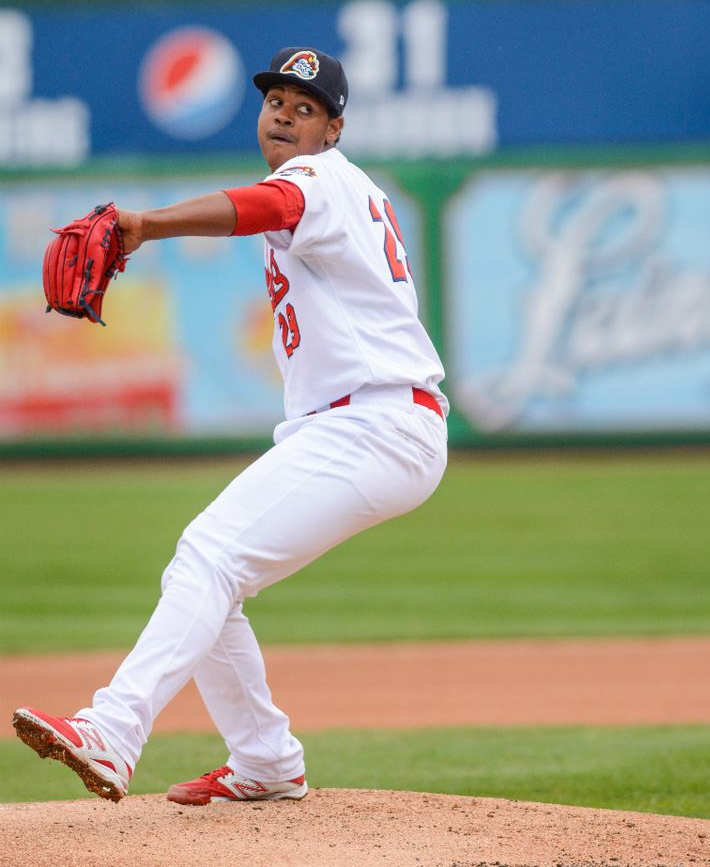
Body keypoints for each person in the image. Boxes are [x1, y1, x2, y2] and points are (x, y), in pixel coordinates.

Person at [12, 46, 448, 806]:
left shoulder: (316, 180)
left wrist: (144, 224)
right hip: (364, 423)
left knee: (208, 558)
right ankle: (266, 760)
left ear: (333, 129)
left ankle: (113, 729)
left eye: (304, 107)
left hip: (377, 422)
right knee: (207, 570)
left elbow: (266, 208)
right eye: (276, 99)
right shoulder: (342, 187)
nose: (283, 113)